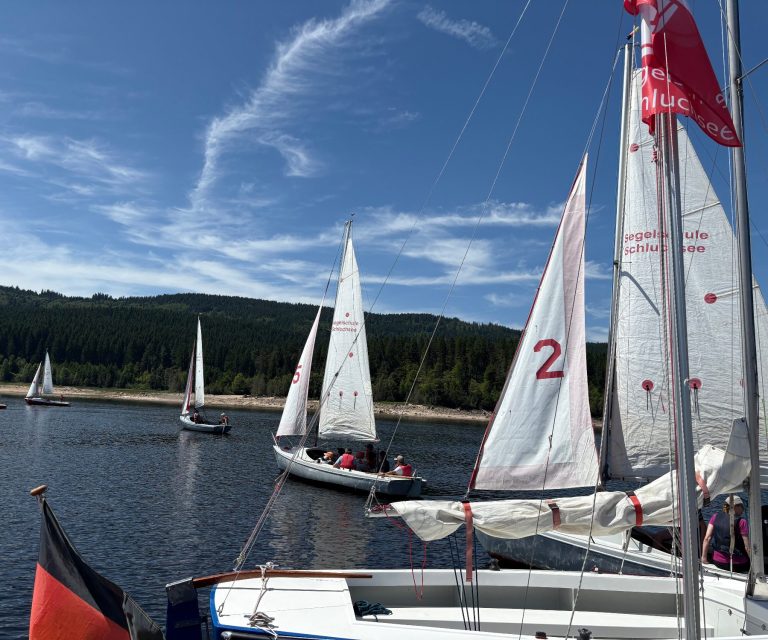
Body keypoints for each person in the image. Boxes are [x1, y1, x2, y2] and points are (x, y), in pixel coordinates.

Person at [702, 495, 750, 573]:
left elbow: (707, 538)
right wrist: (753, 564)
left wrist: (704, 558)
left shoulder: (715, 516)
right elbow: (747, 547)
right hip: (737, 564)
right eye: (742, 506)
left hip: (717, 561)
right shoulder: (742, 522)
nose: (743, 510)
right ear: (734, 507)